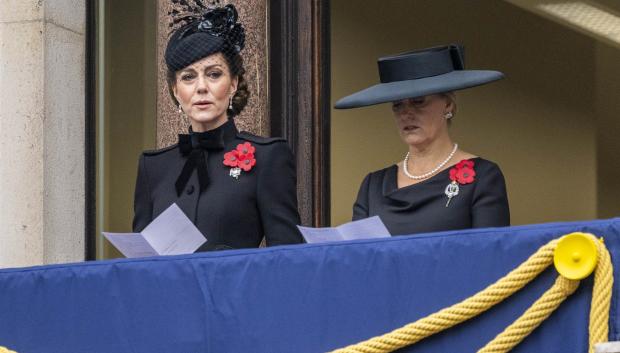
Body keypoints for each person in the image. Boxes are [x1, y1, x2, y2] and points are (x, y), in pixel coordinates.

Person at [133, 3, 303, 250]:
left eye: (213, 74)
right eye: (188, 77)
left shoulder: (268, 157)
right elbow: (140, 264)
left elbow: (287, 257)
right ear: (175, 91)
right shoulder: (153, 167)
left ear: (233, 84)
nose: (201, 87)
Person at [335, 44, 510, 236]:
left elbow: (491, 256)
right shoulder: (373, 186)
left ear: (448, 105)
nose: (406, 114)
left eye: (418, 101)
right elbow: (359, 256)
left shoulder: (483, 176)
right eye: (397, 105)